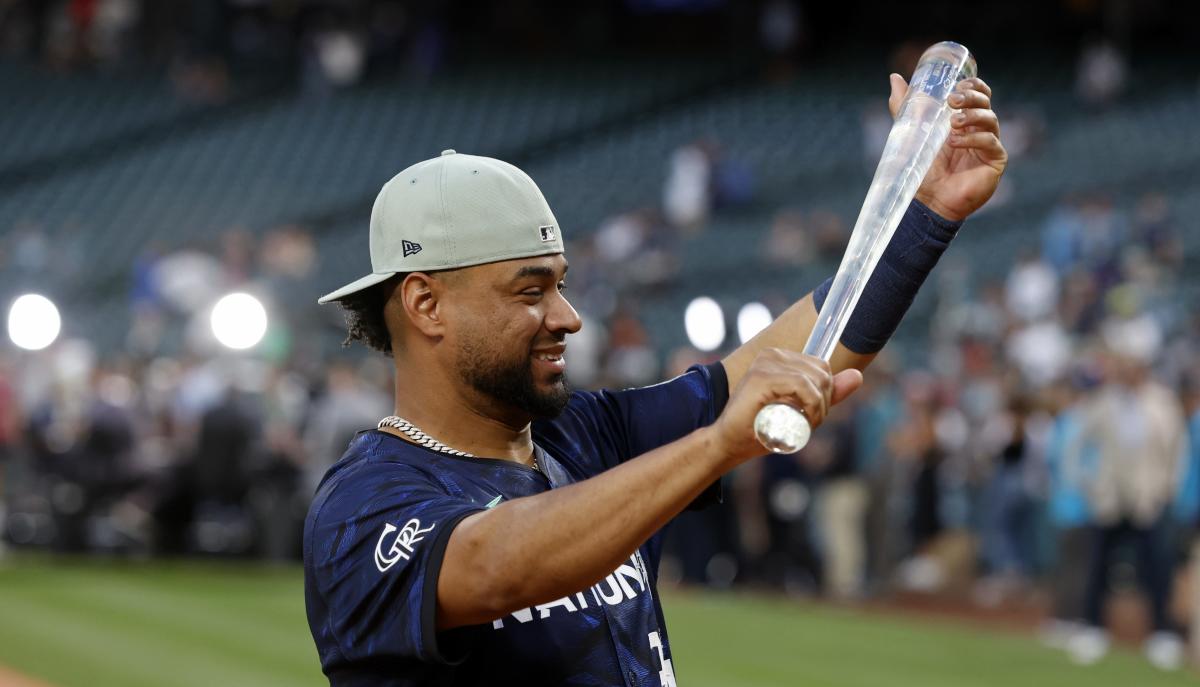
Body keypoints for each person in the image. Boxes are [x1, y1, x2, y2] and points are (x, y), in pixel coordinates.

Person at [303, 75, 1005, 685]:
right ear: (427, 304)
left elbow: (807, 348)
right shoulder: (363, 504)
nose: (567, 317)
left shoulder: (585, 433)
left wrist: (926, 216)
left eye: (562, 285)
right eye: (529, 291)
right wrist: (713, 447)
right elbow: (496, 565)